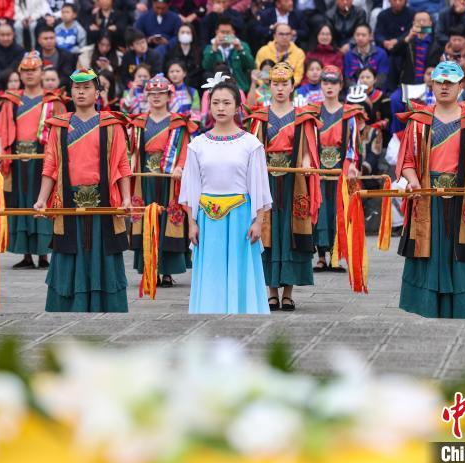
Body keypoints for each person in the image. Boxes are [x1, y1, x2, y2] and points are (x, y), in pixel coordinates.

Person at [396, 61, 465, 319]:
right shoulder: (419, 120)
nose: (444, 87)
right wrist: (413, 181)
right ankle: (428, 307)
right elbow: (407, 161)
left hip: (463, 196)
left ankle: (463, 308)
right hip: (428, 197)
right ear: (432, 85)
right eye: (440, 82)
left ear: (461, 87)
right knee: (430, 253)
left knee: (462, 255)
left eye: (450, 83)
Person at [33, 69, 132, 312]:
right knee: (68, 255)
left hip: (104, 202)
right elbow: (51, 165)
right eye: (76, 87)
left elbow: (122, 164)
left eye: (87, 87)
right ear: (70, 92)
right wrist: (41, 199)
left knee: (103, 256)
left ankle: (105, 306)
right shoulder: (59, 126)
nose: (80, 91)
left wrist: (127, 198)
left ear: (98, 92)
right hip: (68, 202)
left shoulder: (111, 124)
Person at [179, 75, 272, 314]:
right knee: (211, 269)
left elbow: (259, 187)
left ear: (237, 107)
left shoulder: (251, 144)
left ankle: (243, 312)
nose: (221, 107)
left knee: (239, 269)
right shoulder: (197, 144)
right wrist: (191, 223)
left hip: (240, 218)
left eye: (227, 103)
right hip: (207, 220)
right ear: (209, 106)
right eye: (216, 102)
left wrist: (258, 221)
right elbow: (190, 189)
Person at [245, 62, 321, 311]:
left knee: (290, 232)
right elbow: (253, 150)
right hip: (266, 179)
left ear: (292, 87)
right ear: (270, 86)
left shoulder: (303, 116)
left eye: (284, 84)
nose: (280, 88)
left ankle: (288, 293)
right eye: (275, 84)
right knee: (268, 231)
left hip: (293, 179)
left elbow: (308, 148)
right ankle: (271, 292)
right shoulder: (260, 117)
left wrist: (308, 164)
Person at [0, 52, 65, 270]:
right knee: (21, 201)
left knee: (42, 198)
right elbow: (1, 129)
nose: (29, 74)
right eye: (25, 71)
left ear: (42, 73)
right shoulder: (11, 100)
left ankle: (44, 253)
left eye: (33, 70)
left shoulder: (52, 101)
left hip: (43, 157)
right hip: (17, 158)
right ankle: (26, 253)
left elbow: (62, 130)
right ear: (20, 73)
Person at [128, 74, 196, 288]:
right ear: (146, 96)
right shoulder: (139, 122)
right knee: (147, 219)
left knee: (169, 221)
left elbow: (185, 148)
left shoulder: (178, 123)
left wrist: (179, 166)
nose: (156, 97)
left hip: (169, 180)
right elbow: (132, 151)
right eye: (152, 93)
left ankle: (167, 270)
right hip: (145, 179)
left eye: (161, 93)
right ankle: (150, 268)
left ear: (169, 96)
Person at [311, 65, 365, 273]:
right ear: (321, 84)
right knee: (320, 210)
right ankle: (321, 256)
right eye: (325, 82)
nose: (329, 86)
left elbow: (353, 145)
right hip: (318, 166)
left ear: (340, 85)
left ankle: (336, 255)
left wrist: (352, 165)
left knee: (339, 210)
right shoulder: (314, 111)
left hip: (340, 166)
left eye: (333, 82)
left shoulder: (348, 113)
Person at [201, 15, 254, 93]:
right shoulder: (210, 47)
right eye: (222, 32)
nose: (225, 35)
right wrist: (214, 48)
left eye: (228, 32)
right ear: (216, 32)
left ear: (233, 32)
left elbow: (251, 65)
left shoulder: (242, 46)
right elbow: (206, 66)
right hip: (218, 90)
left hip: (240, 89)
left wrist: (240, 49)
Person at [355, 67, 390, 176]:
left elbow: (387, 119)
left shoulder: (382, 96)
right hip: (356, 131)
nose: (364, 80)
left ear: (375, 80)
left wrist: (370, 128)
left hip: (377, 134)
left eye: (368, 77)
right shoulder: (353, 96)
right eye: (362, 77)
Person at [390, 11, 441, 85]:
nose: (421, 23)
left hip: (430, 83)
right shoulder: (408, 40)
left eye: (424, 20)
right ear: (413, 23)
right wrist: (407, 38)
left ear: (430, 23)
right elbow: (394, 52)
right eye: (418, 20)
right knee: (394, 97)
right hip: (409, 83)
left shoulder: (436, 42)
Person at [343, 24, 389, 88]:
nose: (360, 38)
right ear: (354, 36)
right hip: (355, 92)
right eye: (357, 35)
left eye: (363, 35)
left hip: (375, 91)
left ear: (370, 36)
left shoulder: (381, 53)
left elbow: (382, 77)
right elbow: (348, 78)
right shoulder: (349, 55)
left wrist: (369, 90)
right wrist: (358, 90)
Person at [164, 23, 203, 91]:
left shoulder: (199, 52)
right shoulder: (171, 53)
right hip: (176, 84)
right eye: (182, 32)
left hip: (195, 84)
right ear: (178, 35)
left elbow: (200, 70)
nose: (185, 34)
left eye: (188, 32)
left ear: (192, 35)